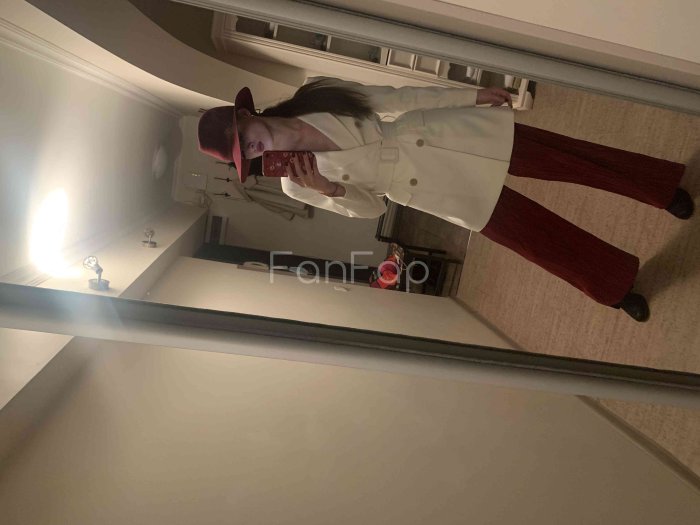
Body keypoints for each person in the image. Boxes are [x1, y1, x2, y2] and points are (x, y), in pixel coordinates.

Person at [197, 77, 694, 322]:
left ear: (246, 116)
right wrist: (329, 190)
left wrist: (469, 96)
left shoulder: (314, 95)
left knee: (571, 159)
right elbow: (373, 209)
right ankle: (614, 287)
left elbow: (393, 98)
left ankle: (661, 189)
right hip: (430, 187)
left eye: (245, 137)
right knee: (534, 239)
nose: (256, 148)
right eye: (247, 155)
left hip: (447, 136)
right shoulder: (294, 184)